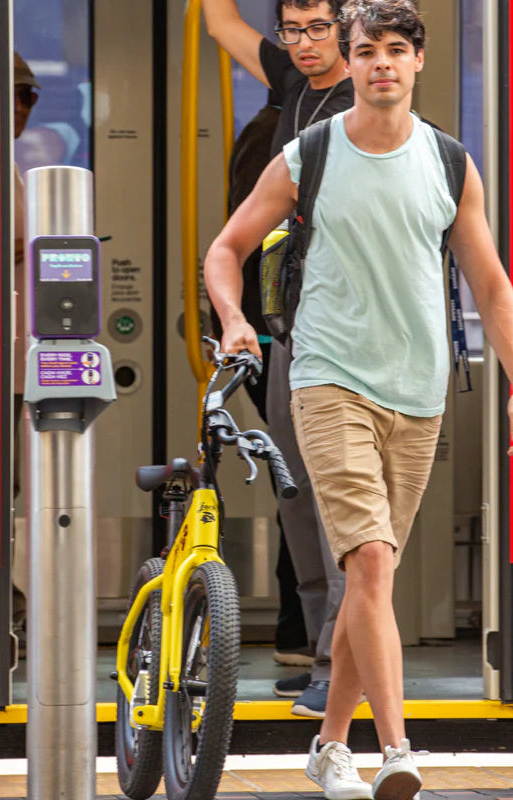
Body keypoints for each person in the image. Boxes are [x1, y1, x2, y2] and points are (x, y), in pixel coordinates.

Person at [205, 1, 513, 797]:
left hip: (418, 392)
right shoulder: (310, 154)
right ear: (349, 62)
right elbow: (227, 248)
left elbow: (491, 283)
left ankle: (329, 745)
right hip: (327, 378)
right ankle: (395, 749)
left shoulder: (451, 163)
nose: (382, 63)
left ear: (419, 60)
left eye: (396, 49)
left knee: (371, 580)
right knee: (370, 558)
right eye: (367, 51)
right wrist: (234, 321)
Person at [202, 0, 355, 716]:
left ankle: (338, 663)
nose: (302, 43)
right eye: (290, 29)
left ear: (347, 29)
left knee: (335, 504)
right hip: (289, 322)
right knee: (295, 494)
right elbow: (220, 25)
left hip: (344, 331)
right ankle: (319, 645)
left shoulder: (363, 101)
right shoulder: (295, 82)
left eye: (318, 28)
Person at [208, 90, 314, 669]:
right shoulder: (284, 135)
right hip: (276, 336)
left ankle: (307, 630)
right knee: (300, 483)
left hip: (288, 335)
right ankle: (302, 629)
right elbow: (245, 245)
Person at [11, 52, 41, 630]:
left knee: (5, 487)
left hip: (10, 363)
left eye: (30, 95)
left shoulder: (5, 167)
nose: (22, 106)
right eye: (15, 93)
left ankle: (8, 606)